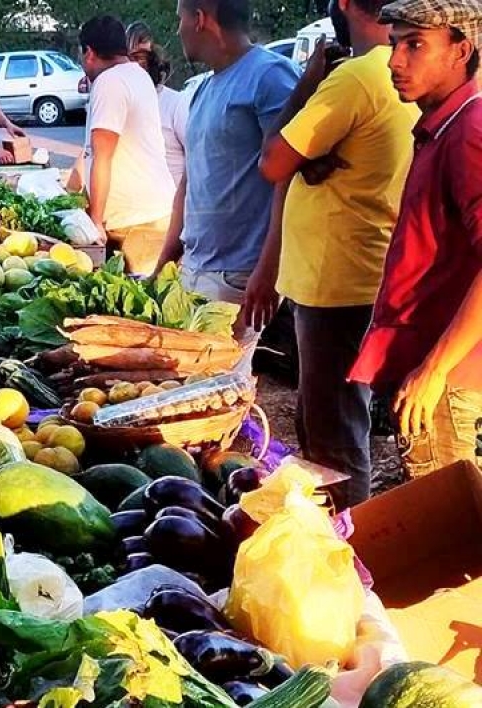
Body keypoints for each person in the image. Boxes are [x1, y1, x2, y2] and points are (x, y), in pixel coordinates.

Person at [258, 0, 419, 508]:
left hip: (337, 282)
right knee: (334, 423)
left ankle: (350, 564)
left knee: (334, 441)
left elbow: (272, 161)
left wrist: (307, 82)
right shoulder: (399, 74)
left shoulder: (354, 78)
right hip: (362, 270)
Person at [349, 0, 482, 477]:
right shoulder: (441, 126)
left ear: (460, 51)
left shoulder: (468, 129)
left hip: (445, 384)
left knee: (450, 539)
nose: (394, 61)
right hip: (435, 372)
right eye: (394, 44)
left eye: (415, 45)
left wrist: (433, 371)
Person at [154, 0, 299, 371]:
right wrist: (168, 254)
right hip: (198, 266)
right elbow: (191, 177)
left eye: (180, 19)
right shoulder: (203, 88)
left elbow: (292, 176)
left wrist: (268, 270)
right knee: (190, 385)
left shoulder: (271, 76)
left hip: (240, 274)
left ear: (200, 19)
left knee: (221, 384)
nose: (177, 29)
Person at [77, 15, 176, 276]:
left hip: (135, 223)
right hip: (153, 213)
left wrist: (95, 220)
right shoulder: (137, 75)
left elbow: (103, 156)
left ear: (88, 52)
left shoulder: (110, 82)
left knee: (137, 309)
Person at [126, 25, 189, 188]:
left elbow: (197, 159)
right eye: (130, 57)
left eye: (141, 57)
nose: (136, 65)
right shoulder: (120, 103)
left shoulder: (175, 103)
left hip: (171, 206)